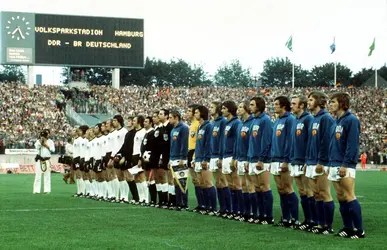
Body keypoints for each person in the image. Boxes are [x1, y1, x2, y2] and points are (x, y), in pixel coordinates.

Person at [328, 92, 365, 239]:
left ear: (342, 103)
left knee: (349, 195)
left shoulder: (351, 120)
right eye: (330, 102)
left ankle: (359, 230)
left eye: (333, 102)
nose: (330, 104)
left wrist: (345, 164)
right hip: (334, 163)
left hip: (344, 165)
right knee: (341, 197)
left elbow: (352, 144)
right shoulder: (336, 121)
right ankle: (348, 227)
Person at [306, 91, 335, 234]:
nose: (308, 102)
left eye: (311, 100)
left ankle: (328, 226)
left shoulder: (326, 118)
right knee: (316, 194)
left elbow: (326, 142)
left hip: (320, 162)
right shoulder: (313, 119)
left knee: (324, 193)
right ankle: (320, 224)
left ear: (318, 101)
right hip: (311, 161)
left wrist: (321, 161)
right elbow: (311, 142)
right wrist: (308, 160)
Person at [270, 96, 297, 227]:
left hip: (284, 159)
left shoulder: (290, 119)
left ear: (283, 106)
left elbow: (290, 141)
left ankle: (295, 218)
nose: (274, 106)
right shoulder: (277, 121)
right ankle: (285, 218)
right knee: (281, 189)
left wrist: (286, 160)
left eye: (276, 104)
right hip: (275, 159)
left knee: (288, 188)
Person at [247, 96, 273, 224]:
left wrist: (261, 159)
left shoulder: (265, 120)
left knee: (264, 187)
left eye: (252, 104)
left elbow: (266, 141)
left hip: (261, 160)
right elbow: (252, 142)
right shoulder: (254, 120)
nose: (250, 106)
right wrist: (249, 158)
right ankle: (260, 215)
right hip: (252, 159)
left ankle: (268, 216)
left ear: (258, 106)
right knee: (257, 187)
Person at [290, 95, 314, 230]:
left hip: (304, 160)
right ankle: (307, 219)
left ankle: (313, 220)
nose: (291, 105)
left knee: (309, 191)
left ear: (302, 106)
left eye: (294, 103)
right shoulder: (295, 120)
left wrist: (307, 159)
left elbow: (310, 141)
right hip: (295, 160)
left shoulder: (308, 119)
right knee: (302, 191)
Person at [193, 105, 216, 215]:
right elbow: (198, 144)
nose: (195, 114)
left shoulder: (208, 126)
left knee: (207, 183)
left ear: (202, 113)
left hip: (204, 159)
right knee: (201, 183)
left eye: (196, 112)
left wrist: (206, 159)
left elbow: (208, 144)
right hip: (198, 158)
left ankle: (213, 207)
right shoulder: (199, 127)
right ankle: (206, 206)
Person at [221, 100, 241, 219]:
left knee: (237, 185)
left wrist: (235, 157)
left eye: (224, 108)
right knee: (231, 185)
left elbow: (237, 141)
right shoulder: (227, 123)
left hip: (231, 156)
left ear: (229, 109)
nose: (222, 110)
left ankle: (239, 210)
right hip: (225, 155)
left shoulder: (236, 123)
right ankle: (233, 209)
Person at [234, 101, 254, 221]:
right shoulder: (241, 124)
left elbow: (251, 143)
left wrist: (248, 157)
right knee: (243, 186)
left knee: (250, 185)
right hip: (240, 158)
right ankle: (246, 212)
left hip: (248, 159)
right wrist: (236, 157)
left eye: (241, 107)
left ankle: (252, 212)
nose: (239, 109)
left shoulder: (252, 122)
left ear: (246, 108)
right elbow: (238, 143)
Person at [168, 110, 189, 210]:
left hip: (180, 158)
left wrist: (182, 158)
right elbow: (172, 146)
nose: (169, 119)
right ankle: (178, 202)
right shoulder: (173, 129)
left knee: (182, 181)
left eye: (170, 117)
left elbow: (184, 144)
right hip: (173, 158)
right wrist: (170, 158)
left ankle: (184, 203)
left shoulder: (184, 128)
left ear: (176, 117)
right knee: (176, 181)